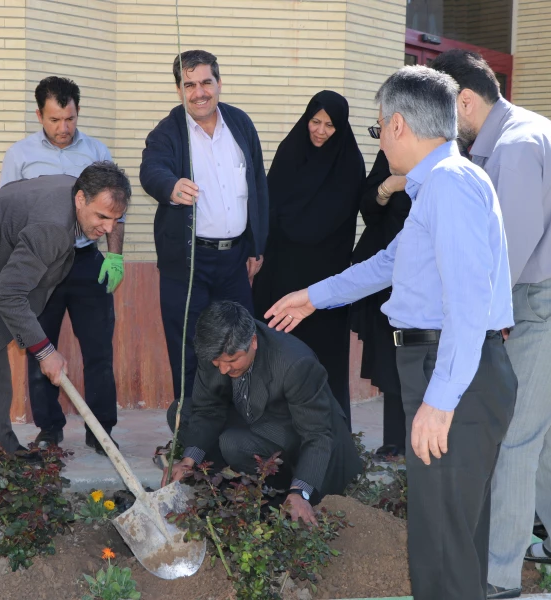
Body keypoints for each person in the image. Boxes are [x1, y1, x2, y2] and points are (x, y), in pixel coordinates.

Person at [265, 66, 517, 600]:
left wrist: (440, 399)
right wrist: (314, 296)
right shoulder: (441, 185)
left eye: (378, 130)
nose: (380, 142)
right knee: (448, 536)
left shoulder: (450, 185)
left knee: (445, 544)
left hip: (452, 373)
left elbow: (469, 302)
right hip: (447, 368)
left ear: (399, 125)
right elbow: (389, 262)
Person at [431, 49, 551, 599]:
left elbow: (505, 254)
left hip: (550, 301)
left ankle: (497, 574)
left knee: (513, 436)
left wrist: (473, 326)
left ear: (465, 100)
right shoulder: (527, 127)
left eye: (444, 111)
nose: (441, 126)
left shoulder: (511, 148)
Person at [0, 162, 131, 457]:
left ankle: (5, 456)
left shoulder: (74, 187)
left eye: (116, 219)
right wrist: (46, 352)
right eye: (102, 217)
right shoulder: (53, 228)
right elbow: (8, 295)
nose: (108, 228)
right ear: (81, 198)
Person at [140, 50, 268, 431]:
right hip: (188, 262)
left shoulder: (241, 124)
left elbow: (258, 186)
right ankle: (192, 433)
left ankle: (241, 429)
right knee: (189, 349)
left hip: (235, 260)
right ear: (179, 89)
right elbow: (152, 169)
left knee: (240, 342)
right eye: (189, 84)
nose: (199, 92)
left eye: (206, 82)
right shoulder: (168, 131)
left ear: (219, 83)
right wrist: (170, 185)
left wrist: (257, 246)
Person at [0, 76, 125, 453]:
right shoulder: (19, 156)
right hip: (40, 266)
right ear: (39, 115)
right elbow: (8, 212)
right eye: (54, 120)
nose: (63, 128)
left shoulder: (97, 150)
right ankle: (49, 429)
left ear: (77, 111)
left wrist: (115, 256)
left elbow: (113, 211)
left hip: (87, 261)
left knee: (99, 350)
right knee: (41, 345)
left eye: (69, 118)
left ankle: (101, 431)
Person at [165, 301, 362, 523]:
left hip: (299, 436)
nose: (222, 369)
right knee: (181, 412)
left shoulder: (295, 363)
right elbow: (208, 409)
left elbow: (317, 435)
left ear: (254, 342)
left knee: (233, 443)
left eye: (231, 361)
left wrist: (300, 491)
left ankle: (276, 497)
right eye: (216, 362)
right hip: (253, 414)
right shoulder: (214, 347)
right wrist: (188, 462)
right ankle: (227, 488)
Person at [251, 90, 365, 425]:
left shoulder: (348, 162)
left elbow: (333, 218)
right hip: (279, 272)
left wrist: (288, 224)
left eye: (329, 125)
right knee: (274, 350)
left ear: (340, 127)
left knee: (320, 357)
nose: (319, 130)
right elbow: (268, 204)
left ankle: (326, 434)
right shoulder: (290, 150)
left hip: (324, 280)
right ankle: (269, 435)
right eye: (315, 121)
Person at [349, 149, 411, 457]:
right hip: (384, 272)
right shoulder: (390, 154)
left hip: (428, 272)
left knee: (422, 359)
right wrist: (389, 186)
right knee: (389, 356)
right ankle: (393, 442)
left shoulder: (448, 158)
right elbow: (369, 211)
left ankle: (418, 442)